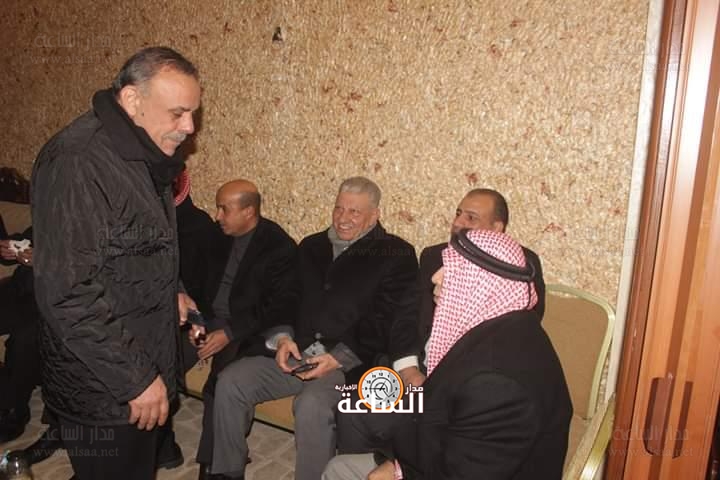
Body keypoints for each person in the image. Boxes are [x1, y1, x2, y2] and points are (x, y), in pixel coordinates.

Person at [30, 46, 201, 480]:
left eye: (193, 113)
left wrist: (174, 289)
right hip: (104, 387)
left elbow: (140, 244)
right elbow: (68, 293)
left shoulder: (140, 150)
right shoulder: (78, 162)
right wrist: (136, 380)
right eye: (178, 113)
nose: (189, 127)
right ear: (131, 99)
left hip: (136, 361)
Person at [209, 176, 418, 480]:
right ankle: (227, 472)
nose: (343, 218)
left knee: (312, 406)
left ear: (375, 215)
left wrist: (338, 357)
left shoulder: (396, 254)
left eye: (355, 212)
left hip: (348, 364)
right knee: (231, 381)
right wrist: (282, 337)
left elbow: (384, 321)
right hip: (297, 353)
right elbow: (287, 298)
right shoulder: (311, 246)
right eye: (339, 208)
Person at [323, 229, 572, 480]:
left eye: (454, 269)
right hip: (445, 446)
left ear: (482, 286)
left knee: (338, 471)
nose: (435, 276)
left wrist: (397, 472)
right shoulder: (507, 325)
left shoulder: (496, 384)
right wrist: (396, 463)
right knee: (342, 455)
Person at [338, 188, 546, 454]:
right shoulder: (434, 256)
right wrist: (408, 369)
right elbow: (405, 317)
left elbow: (518, 334)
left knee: (395, 426)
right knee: (351, 407)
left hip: (468, 387)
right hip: (418, 372)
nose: (458, 222)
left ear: (497, 228)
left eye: (471, 217)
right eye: (458, 213)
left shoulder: (518, 266)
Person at [178, 178, 300, 479]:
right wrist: (195, 320)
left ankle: (214, 465)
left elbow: (276, 308)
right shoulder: (216, 236)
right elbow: (195, 282)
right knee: (164, 357)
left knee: (220, 383)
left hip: (246, 330)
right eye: (218, 208)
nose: (217, 215)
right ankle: (158, 445)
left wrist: (229, 333)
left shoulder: (279, 247)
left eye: (224, 209)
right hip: (207, 320)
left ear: (248, 212)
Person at [0, 219, 40, 443]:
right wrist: (9, 247)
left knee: (24, 339)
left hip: (52, 298)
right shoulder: (50, 210)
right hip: (20, 288)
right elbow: (28, 237)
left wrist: (41, 260)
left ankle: (13, 410)